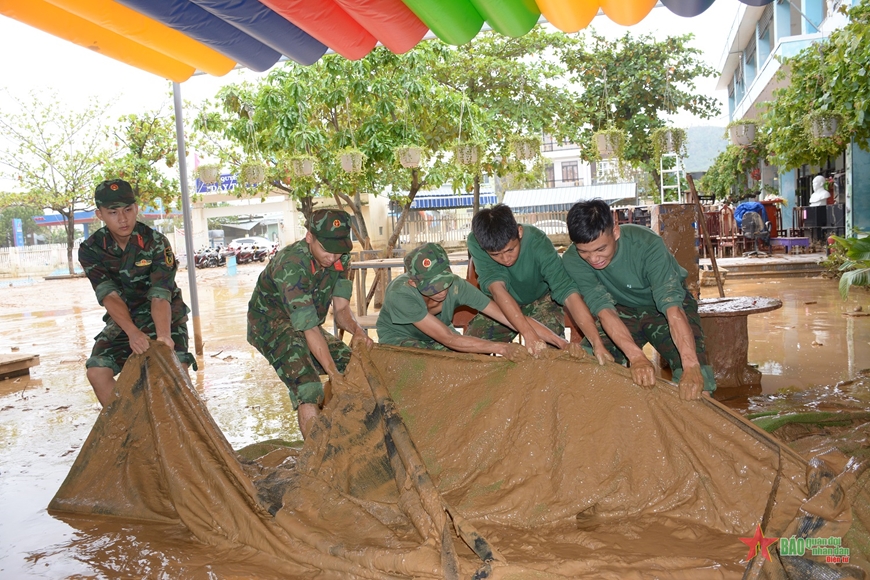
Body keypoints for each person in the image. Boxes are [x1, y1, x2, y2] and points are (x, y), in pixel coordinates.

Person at [562, 199, 715, 401]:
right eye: (584, 252)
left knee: (697, 384)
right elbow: (603, 309)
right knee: (588, 368)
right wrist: (636, 357)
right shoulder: (573, 259)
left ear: (615, 232)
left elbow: (672, 309)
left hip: (664, 306)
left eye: (600, 249)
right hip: (620, 310)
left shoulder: (647, 244)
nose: (593, 259)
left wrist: (691, 365)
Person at [247, 208, 372, 438]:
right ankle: (317, 457)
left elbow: (342, 309)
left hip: (307, 321)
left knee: (356, 367)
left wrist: (358, 331)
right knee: (308, 385)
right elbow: (307, 328)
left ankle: (344, 434)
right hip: (271, 324)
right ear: (309, 237)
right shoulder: (291, 264)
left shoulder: (341, 257)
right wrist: (332, 374)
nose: (333, 257)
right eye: (327, 249)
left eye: (339, 250)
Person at [78, 178, 195, 407]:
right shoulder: (91, 250)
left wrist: (164, 338)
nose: (123, 219)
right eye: (113, 212)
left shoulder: (156, 243)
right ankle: (131, 430)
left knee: (176, 370)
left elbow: (161, 295)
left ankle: (186, 435)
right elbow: (109, 296)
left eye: (128, 210)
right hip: (123, 320)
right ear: (99, 214)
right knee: (97, 372)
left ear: (136, 208)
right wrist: (132, 332)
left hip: (164, 316)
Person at [465, 204, 612, 364]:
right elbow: (497, 289)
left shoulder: (538, 241)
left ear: (519, 232)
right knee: (472, 348)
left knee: (551, 355)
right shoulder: (477, 242)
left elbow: (566, 291)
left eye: (510, 250)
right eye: (496, 254)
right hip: (501, 302)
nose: (506, 259)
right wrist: (529, 334)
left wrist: (597, 343)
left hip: (541, 300)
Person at [377, 243, 558, 359]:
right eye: (432, 287)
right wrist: (503, 348)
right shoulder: (400, 295)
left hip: (438, 337)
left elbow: (509, 316)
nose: (440, 290)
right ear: (412, 282)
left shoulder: (457, 286)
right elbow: (448, 338)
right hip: (401, 339)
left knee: (469, 361)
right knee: (426, 364)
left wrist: (560, 342)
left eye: (443, 282)